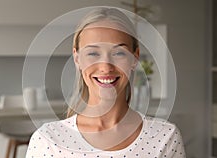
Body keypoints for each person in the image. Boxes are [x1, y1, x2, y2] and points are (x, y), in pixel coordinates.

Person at [26, 7, 186, 158]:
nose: (106, 66)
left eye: (118, 53)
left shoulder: (165, 137)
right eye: (93, 53)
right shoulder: (47, 141)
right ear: (77, 59)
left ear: (135, 57)